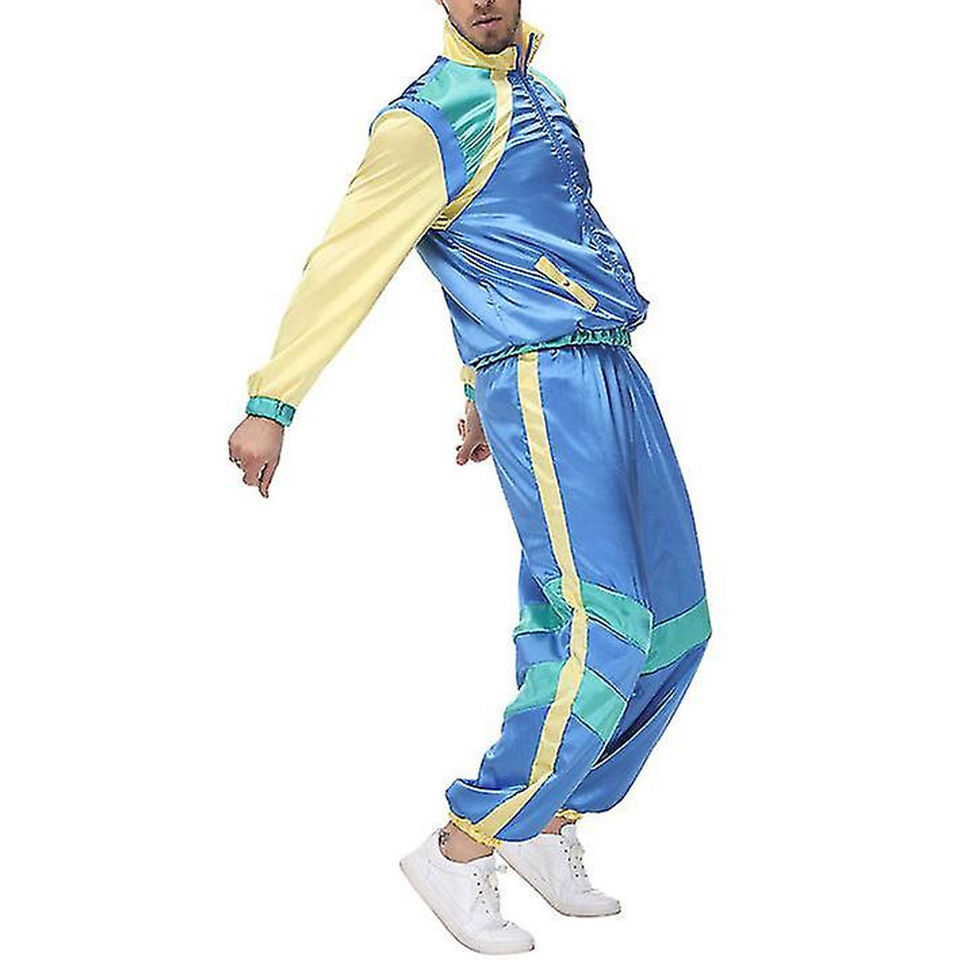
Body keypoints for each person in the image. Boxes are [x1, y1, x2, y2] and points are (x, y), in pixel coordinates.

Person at [228, 1, 711, 953]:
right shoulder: (426, 121)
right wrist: (272, 401)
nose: (483, 0)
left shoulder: (544, 91)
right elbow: (347, 261)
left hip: (613, 365)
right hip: (544, 383)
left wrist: (468, 393)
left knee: (677, 622)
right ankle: (461, 846)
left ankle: (546, 818)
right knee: (605, 625)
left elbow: (501, 250)